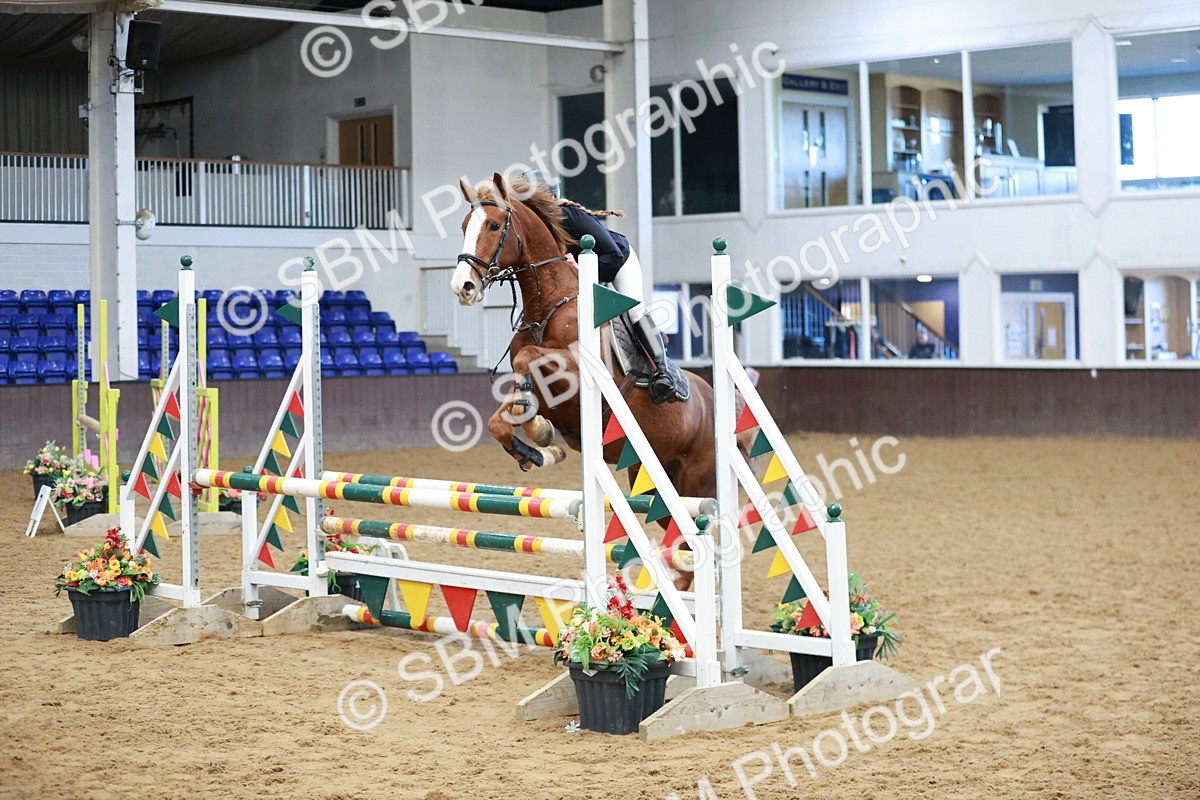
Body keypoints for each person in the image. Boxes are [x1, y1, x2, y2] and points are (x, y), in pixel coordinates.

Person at [522, 170, 685, 404]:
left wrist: (578, 265)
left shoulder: (571, 216)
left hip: (617, 262)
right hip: (580, 274)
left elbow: (613, 256)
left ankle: (663, 371)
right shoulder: (538, 230)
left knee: (634, 309)